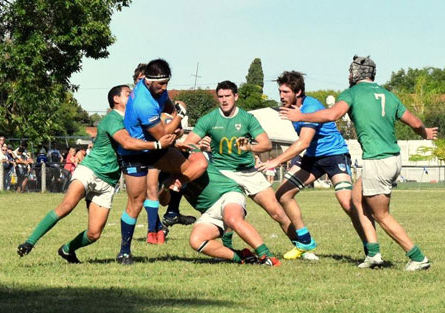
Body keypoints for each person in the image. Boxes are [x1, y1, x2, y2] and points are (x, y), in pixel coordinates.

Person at [281, 55, 438, 271]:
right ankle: (373, 254)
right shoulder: (387, 95)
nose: (347, 75)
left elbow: (331, 115)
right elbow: (414, 121)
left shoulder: (352, 93)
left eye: (349, 71)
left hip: (377, 160)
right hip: (393, 159)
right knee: (356, 198)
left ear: (355, 74)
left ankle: (418, 257)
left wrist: (299, 117)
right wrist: (425, 132)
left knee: (381, 214)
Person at [17, 85, 176, 263]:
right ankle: (29, 242)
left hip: (108, 182)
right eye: (128, 94)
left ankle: (67, 250)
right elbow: (128, 142)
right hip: (90, 170)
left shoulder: (133, 121)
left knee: (94, 234)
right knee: (67, 205)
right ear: (116, 99)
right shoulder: (112, 119)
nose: (132, 97)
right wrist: (157, 145)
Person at [258, 71, 366, 260]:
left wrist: (275, 161)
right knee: (283, 194)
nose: (281, 96)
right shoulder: (291, 109)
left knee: (347, 203)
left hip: (334, 156)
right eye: (280, 91)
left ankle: (370, 247)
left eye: (285, 92)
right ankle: (305, 241)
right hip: (312, 158)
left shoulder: (310, 107)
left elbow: (303, 142)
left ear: (298, 92)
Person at [183, 80, 297, 253]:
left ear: (235, 96)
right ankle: (229, 247)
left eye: (227, 96)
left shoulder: (247, 118)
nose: (224, 100)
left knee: (277, 212)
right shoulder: (209, 119)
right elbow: (188, 143)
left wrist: (249, 147)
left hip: (248, 172)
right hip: (223, 173)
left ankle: (301, 247)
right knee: (229, 214)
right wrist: (200, 146)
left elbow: (265, 144)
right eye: (220, 97)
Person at [117, 59, 208, 264]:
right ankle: (124, 251)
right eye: (161, 84)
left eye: (167, 83)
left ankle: (170, 187)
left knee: (199, 163)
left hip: (157, 149)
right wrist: (179, 119)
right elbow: (162, 134)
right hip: (136, 153)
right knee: (136, 203)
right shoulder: (142, 102)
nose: (165, 88)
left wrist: (174, 123)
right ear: (148, 81)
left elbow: (169, 112)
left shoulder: (157, 89)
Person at [159, 150, 281, 267]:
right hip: (209, 211)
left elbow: (201, 165)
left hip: (227, 194)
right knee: (196, 241)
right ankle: (241, 257)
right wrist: (165, 187)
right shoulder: (164, 174)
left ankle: (267, 256)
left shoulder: (190, 154)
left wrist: (180, 180)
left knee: (232, 218)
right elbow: (164, 202)